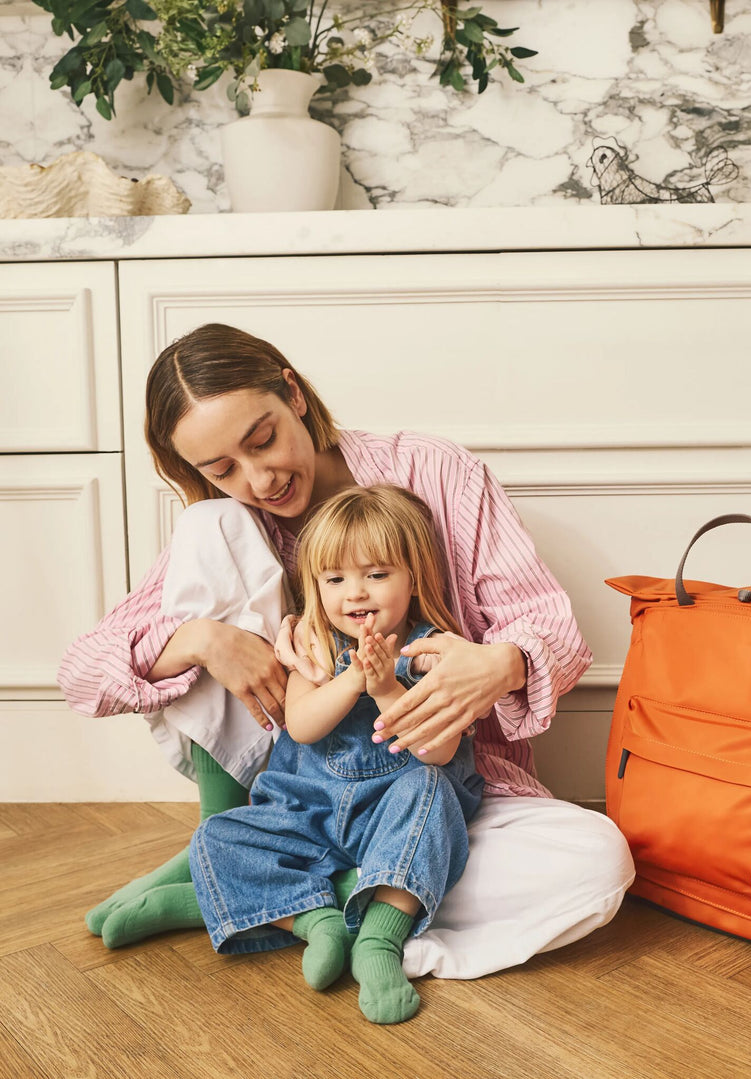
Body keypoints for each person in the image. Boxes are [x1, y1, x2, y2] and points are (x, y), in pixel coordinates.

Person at [57, 322, 634, 981]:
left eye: (263, 438)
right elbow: (83, 671)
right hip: (296, 798)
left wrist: (500, 663)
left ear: (293, 394)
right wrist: (203, 640)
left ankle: (260, 894)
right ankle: (294, 874)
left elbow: (552, 627)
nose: (259, 476)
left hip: (429, 795)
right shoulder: (229, 520)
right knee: (207, 525)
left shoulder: (434, 471)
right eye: (222, 468)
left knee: (599, 860)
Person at [191, 485, 484, 1023]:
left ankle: (379, 942)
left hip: (391, 812)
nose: (356, 594)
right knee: (215, 836)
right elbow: (301, 726)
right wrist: (353, 679)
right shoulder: (314, 647)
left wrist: (388, 689)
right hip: (310, 810)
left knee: (431, 791)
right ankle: (313, 921)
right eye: (335, 579)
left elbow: (438, 751)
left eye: (376, 574)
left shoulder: (431, 650)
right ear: (316, 586)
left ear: (412, 577)